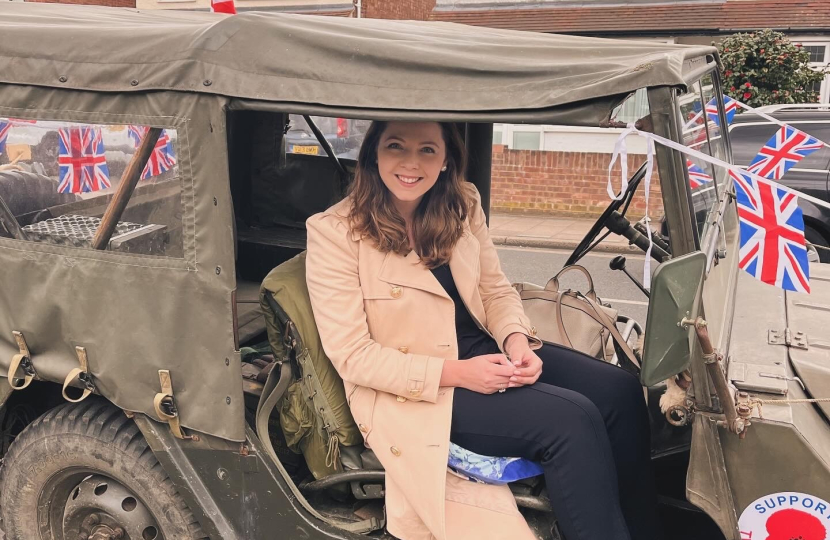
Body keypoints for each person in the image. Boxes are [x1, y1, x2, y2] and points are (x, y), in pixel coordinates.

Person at [305, 120, 661, 540]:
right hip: (412, 387)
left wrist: (516, 340)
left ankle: (642, 529)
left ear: (445, 160)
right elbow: (353, 356)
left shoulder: (461, 204)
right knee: (572, 422)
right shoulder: (335, 232)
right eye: (395, 146)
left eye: (427, 150)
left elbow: (495, 289)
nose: (410, 163)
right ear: (373, 155)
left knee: (620, 391)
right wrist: (460, 373)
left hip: (482, 349)